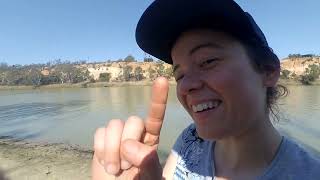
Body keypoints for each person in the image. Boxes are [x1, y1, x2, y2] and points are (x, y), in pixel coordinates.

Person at [92, 0, 320, 179]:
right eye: (179, 74)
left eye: (208, 61)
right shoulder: (190, 141)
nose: (187, 86)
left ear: (268, 70)